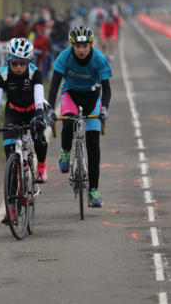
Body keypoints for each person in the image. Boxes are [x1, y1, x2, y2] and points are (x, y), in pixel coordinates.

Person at [0, 38, 48, 220]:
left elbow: (39, 99)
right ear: (9, 60)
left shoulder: (35, 74)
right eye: (15, 62)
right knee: (11, 163)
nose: (18, 67)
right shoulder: (2, 74)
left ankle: (41, 165)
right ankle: (11, 209)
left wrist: (40, 117)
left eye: (23, 63)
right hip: (13, 113)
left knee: (40, 136)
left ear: (28, 62)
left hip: (33, 110)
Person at [47, 26, 112, 208]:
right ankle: (65, 154)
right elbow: (54, 86)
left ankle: (93, 191)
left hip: (92, 97)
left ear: (91, 44)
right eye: (78, 46)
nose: (81, 50)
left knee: (93, 145)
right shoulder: (64, 57)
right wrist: (51, 109)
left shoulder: (99, 59)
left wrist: (104, 108)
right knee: (69, 121)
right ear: (72, 46)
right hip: (70, 94)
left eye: (85, 46)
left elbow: (106, 89)